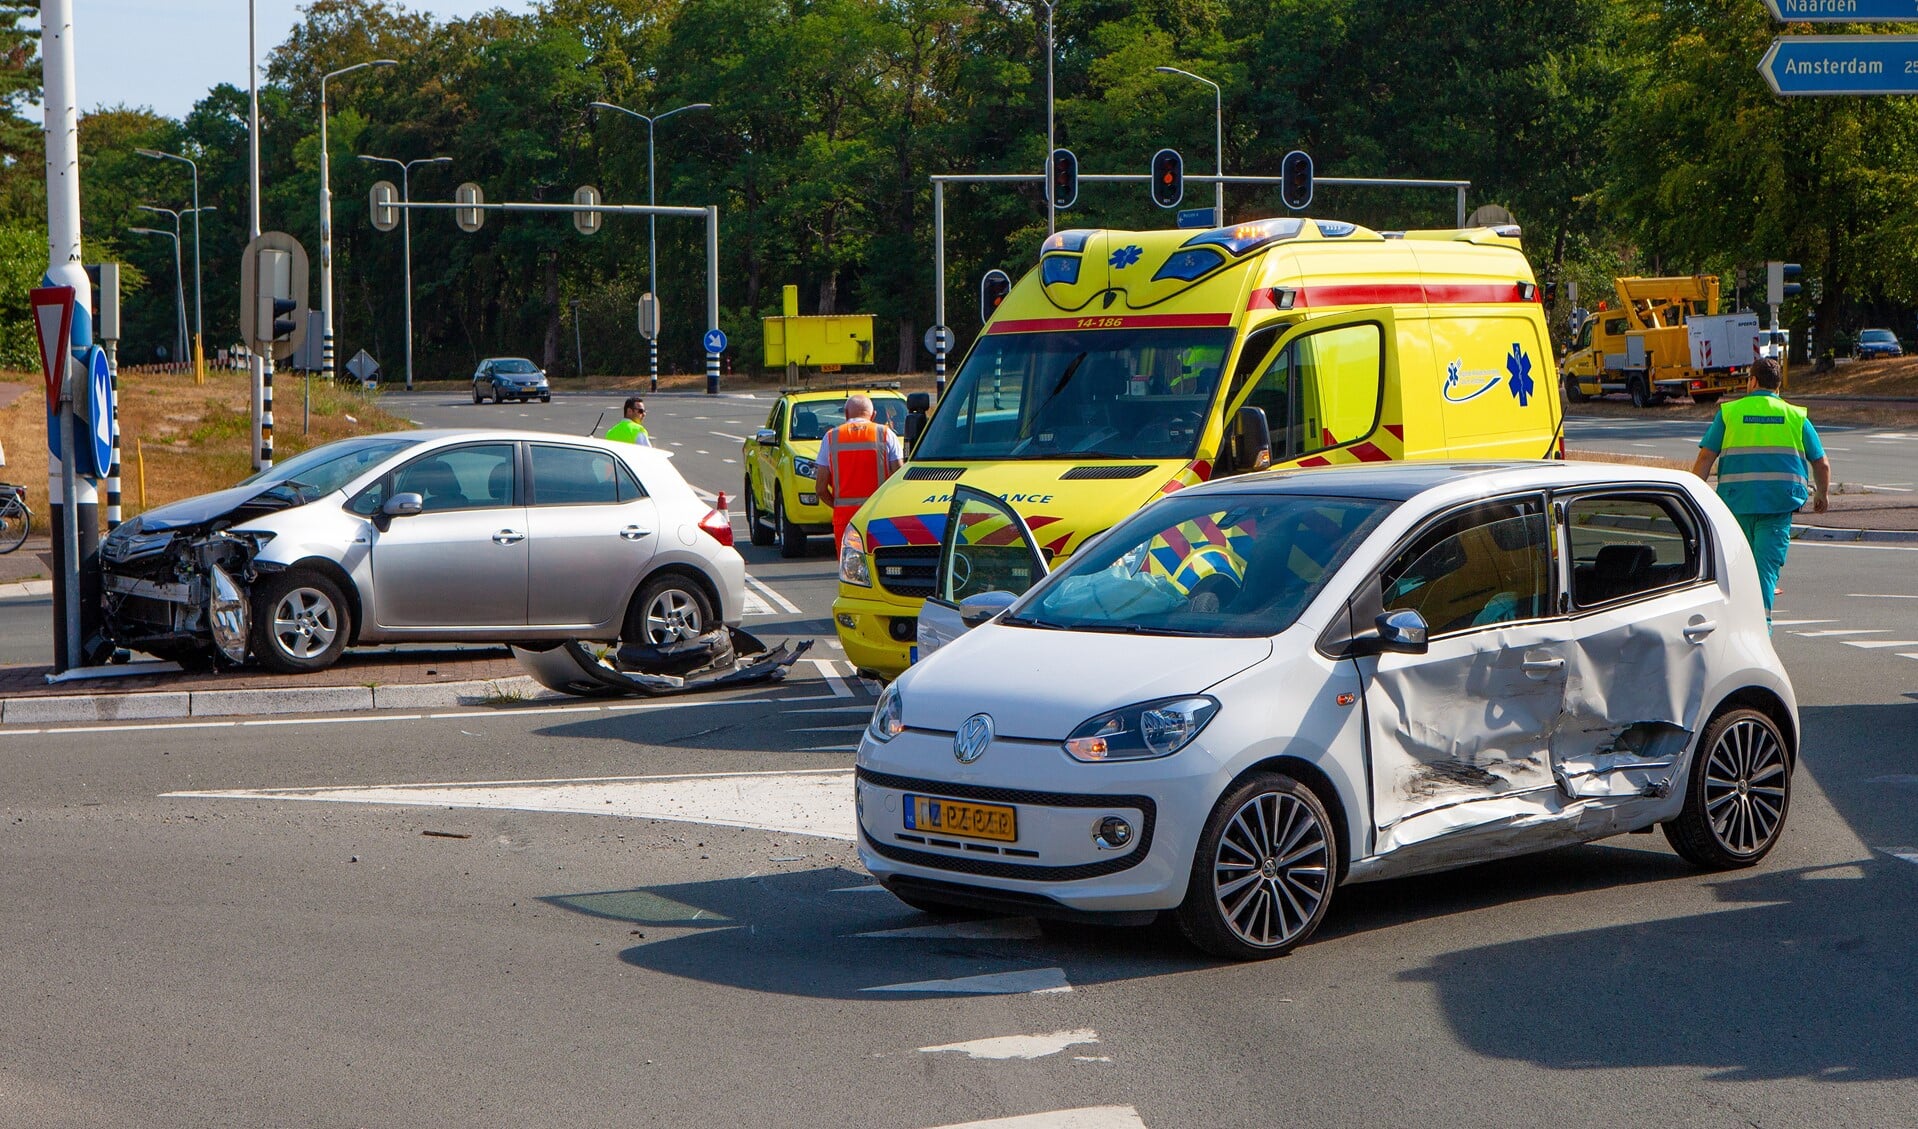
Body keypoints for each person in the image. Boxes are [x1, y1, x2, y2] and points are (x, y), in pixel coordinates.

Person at [1691, 356, 1830, 626]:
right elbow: (1821, 463)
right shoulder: (1795, 416)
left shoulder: (1730, 413)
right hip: (1778, 508)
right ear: (1778, 385)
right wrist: (1821, 494)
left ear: (1752, 381)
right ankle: (1761, 630)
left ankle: (1733, 628)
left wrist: (1695, 495)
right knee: (1764, 573)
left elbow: (1706, 458)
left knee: (1734, 572)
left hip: (1735, 507)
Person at [816, 393, 905, 549]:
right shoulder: (886, 434)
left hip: (845, 517)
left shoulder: (830, 438)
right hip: (879, 514)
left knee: (848, 568)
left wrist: (838, 506)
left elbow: (820, 489)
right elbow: (899, 478)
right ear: (873, 415)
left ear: (846, 414)